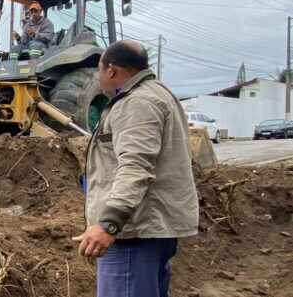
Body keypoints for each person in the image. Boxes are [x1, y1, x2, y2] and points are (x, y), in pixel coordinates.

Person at [72, 40, 199, 297]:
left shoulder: (136, 104)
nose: (99, 78)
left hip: (133, 233)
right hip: (149, 229)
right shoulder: (157, 93)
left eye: (99, 71)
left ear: (111, 71)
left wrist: (109, 223)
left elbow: (135, 167)